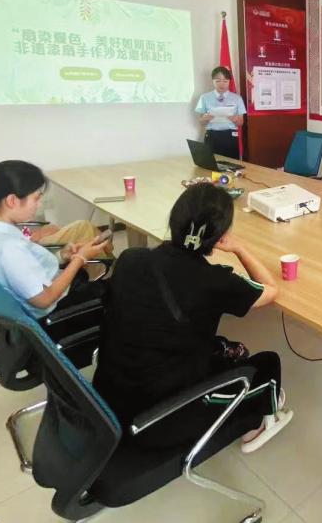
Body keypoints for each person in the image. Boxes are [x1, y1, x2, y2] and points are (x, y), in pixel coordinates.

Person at [92, 182, 293, 452]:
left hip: (107, 399)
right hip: (154, 420)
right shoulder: (215, 281)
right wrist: (240, 248)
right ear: (220, 235)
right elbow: (271, 290)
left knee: (222, 347)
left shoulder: (131, 258)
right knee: (267, 364)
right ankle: (253, 425)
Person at [0, 161, 109, 320]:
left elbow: (25, 268)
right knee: (127, 265)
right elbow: (44, 299)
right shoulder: (9, 248)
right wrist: (79, 259)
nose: (39, 205)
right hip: (55, 310)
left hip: (47, 286)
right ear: (12, 201)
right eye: (36, 199)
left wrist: (62, 256)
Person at [195, 65, 246, 160]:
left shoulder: (237, 98)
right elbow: (201, 122)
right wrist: (205, 119)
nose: (221, 84)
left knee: (232, 165)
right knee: (210, 164)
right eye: (218, 81)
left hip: (230, 136)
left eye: (225, 81)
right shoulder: (204, 97)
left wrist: (235, 119)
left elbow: (241, 122)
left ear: (229, 82)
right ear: (213, 81)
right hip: (212, 136)